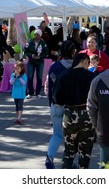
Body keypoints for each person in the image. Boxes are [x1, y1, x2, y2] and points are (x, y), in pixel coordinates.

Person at [53, 53, 95, 169]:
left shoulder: (63, 75)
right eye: (88, 63)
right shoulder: (91, 76)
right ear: (85, 61)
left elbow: (57, 99)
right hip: (87, 114)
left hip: (70, 114)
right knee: (85, 150)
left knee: (69, 149)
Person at [45, 40, 77, 169]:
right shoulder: (76, 66)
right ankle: (68, 162)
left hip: (56, 104)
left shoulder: (54, 66)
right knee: (71, 137)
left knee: (57, 134)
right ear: (73, 51)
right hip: (72, 106)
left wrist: (51, 104)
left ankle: (49, 158)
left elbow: (50, 88)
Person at [24, 29, 48, 99]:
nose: (36, 36)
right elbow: (25, 51)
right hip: (31, 61)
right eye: (35, 34)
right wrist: (31, 55)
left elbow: (46, 52)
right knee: (30, 77)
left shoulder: (43, 43)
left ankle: (38, 93)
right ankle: (30, 93)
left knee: (39, 77)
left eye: (38, 35)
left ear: (40, 36)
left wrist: (41, 56)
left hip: (40, 61)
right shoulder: (30, 42)